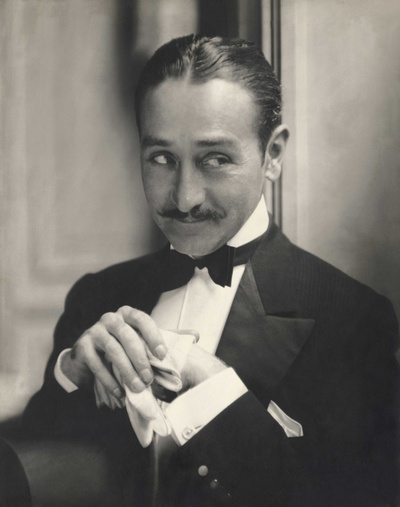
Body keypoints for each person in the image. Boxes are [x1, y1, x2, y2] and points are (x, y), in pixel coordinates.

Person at [23, 34, 399, 507]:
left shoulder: (355, 322)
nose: (185, 198)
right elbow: (31, 476)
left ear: (273, 155)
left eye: (215, 159)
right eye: (162, 158)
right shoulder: (97, 295)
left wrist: (218, 392)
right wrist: (70, 374)